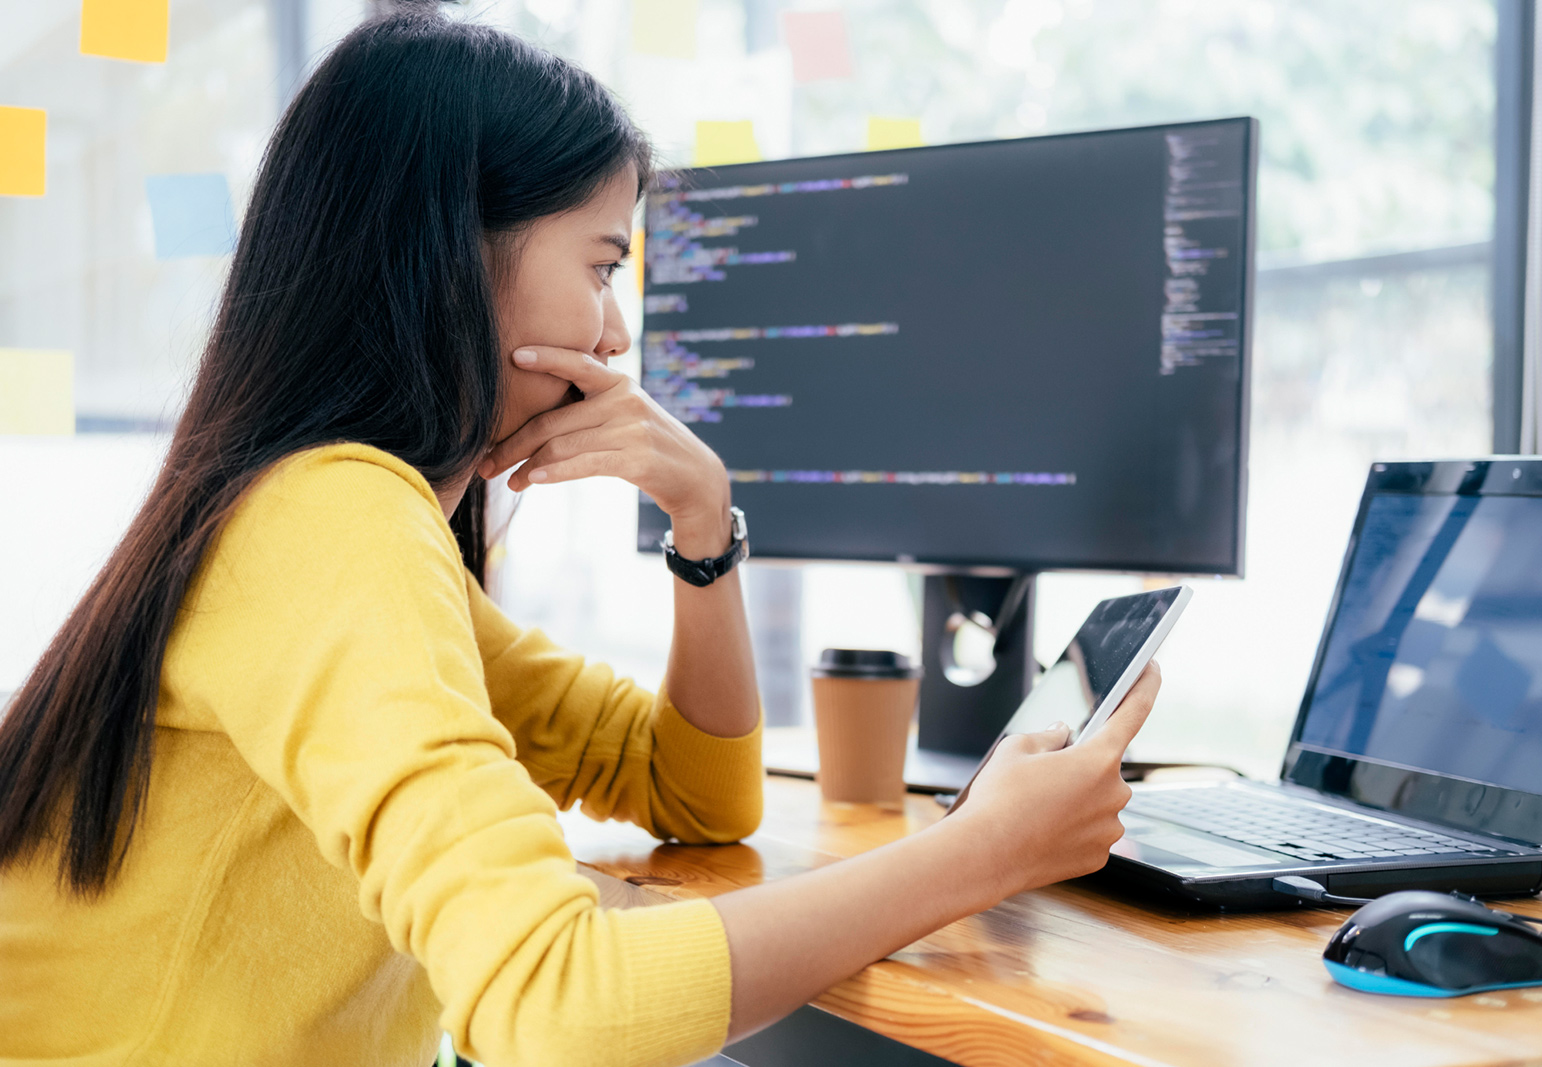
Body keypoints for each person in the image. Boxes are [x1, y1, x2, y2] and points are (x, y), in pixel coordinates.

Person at [0, 10, 1159, 1067]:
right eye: (603, 266)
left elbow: (696, 792)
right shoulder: (330, 523)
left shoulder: (315, 516)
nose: (615, 335)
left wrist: (703, 521)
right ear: (453, 253)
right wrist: (982, 855)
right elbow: (557, 1006)